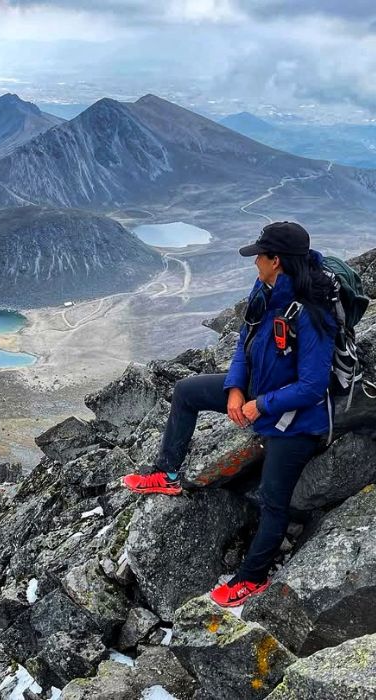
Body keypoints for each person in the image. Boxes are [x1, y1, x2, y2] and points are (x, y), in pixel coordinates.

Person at [122, 221, 337, 607]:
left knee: (273, 500)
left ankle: (251, 578)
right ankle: (165, 474)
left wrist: (260, 405)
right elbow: (245, 341)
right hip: (258, 393)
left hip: (298, 420)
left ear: (277, 260)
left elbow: (312, 386)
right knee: (187, 392)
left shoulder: (311, 310)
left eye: (260, 255)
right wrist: (236, 389)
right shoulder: (265, 289)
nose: (254, 260)